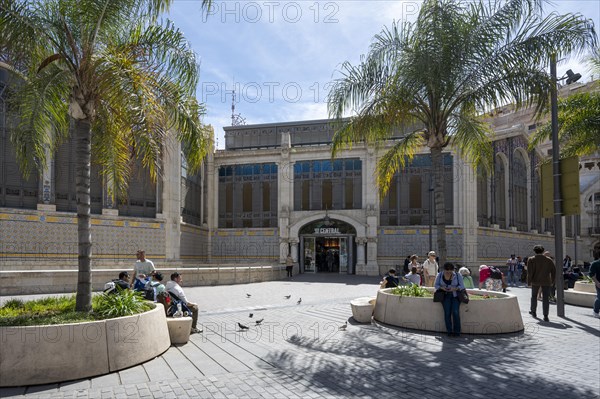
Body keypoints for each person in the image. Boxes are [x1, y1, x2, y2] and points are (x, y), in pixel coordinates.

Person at [434, 262, 465, 337]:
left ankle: (457, 332)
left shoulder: (457, 275)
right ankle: (449, 331)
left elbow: (462, 286)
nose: (448, 273)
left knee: (455, 312)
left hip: (455, 295)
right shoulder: (440, 274)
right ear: (444, 270)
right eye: (447, 271)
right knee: (447, 313)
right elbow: (436, 285)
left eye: (450, 271)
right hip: (445, 296)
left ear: (453, 270)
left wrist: (455, 288)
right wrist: (442, 288)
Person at [527, 245, 556, 322]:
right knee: (545, 298)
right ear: (543, 251)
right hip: (546, 281)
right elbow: (554, 271)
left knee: (534, 296)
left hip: (535, 281)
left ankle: (533, 312)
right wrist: (552, 281)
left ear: (534, 251)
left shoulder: (531, 259)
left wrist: (529, 282)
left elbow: (529, 273)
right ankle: (545, 315)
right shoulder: (549, 260)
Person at [589, 254, 600, 318]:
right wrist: (597, 282)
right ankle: (596, 312)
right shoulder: (595, 264)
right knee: (599, 298)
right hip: (599, 283)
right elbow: (591, 274)